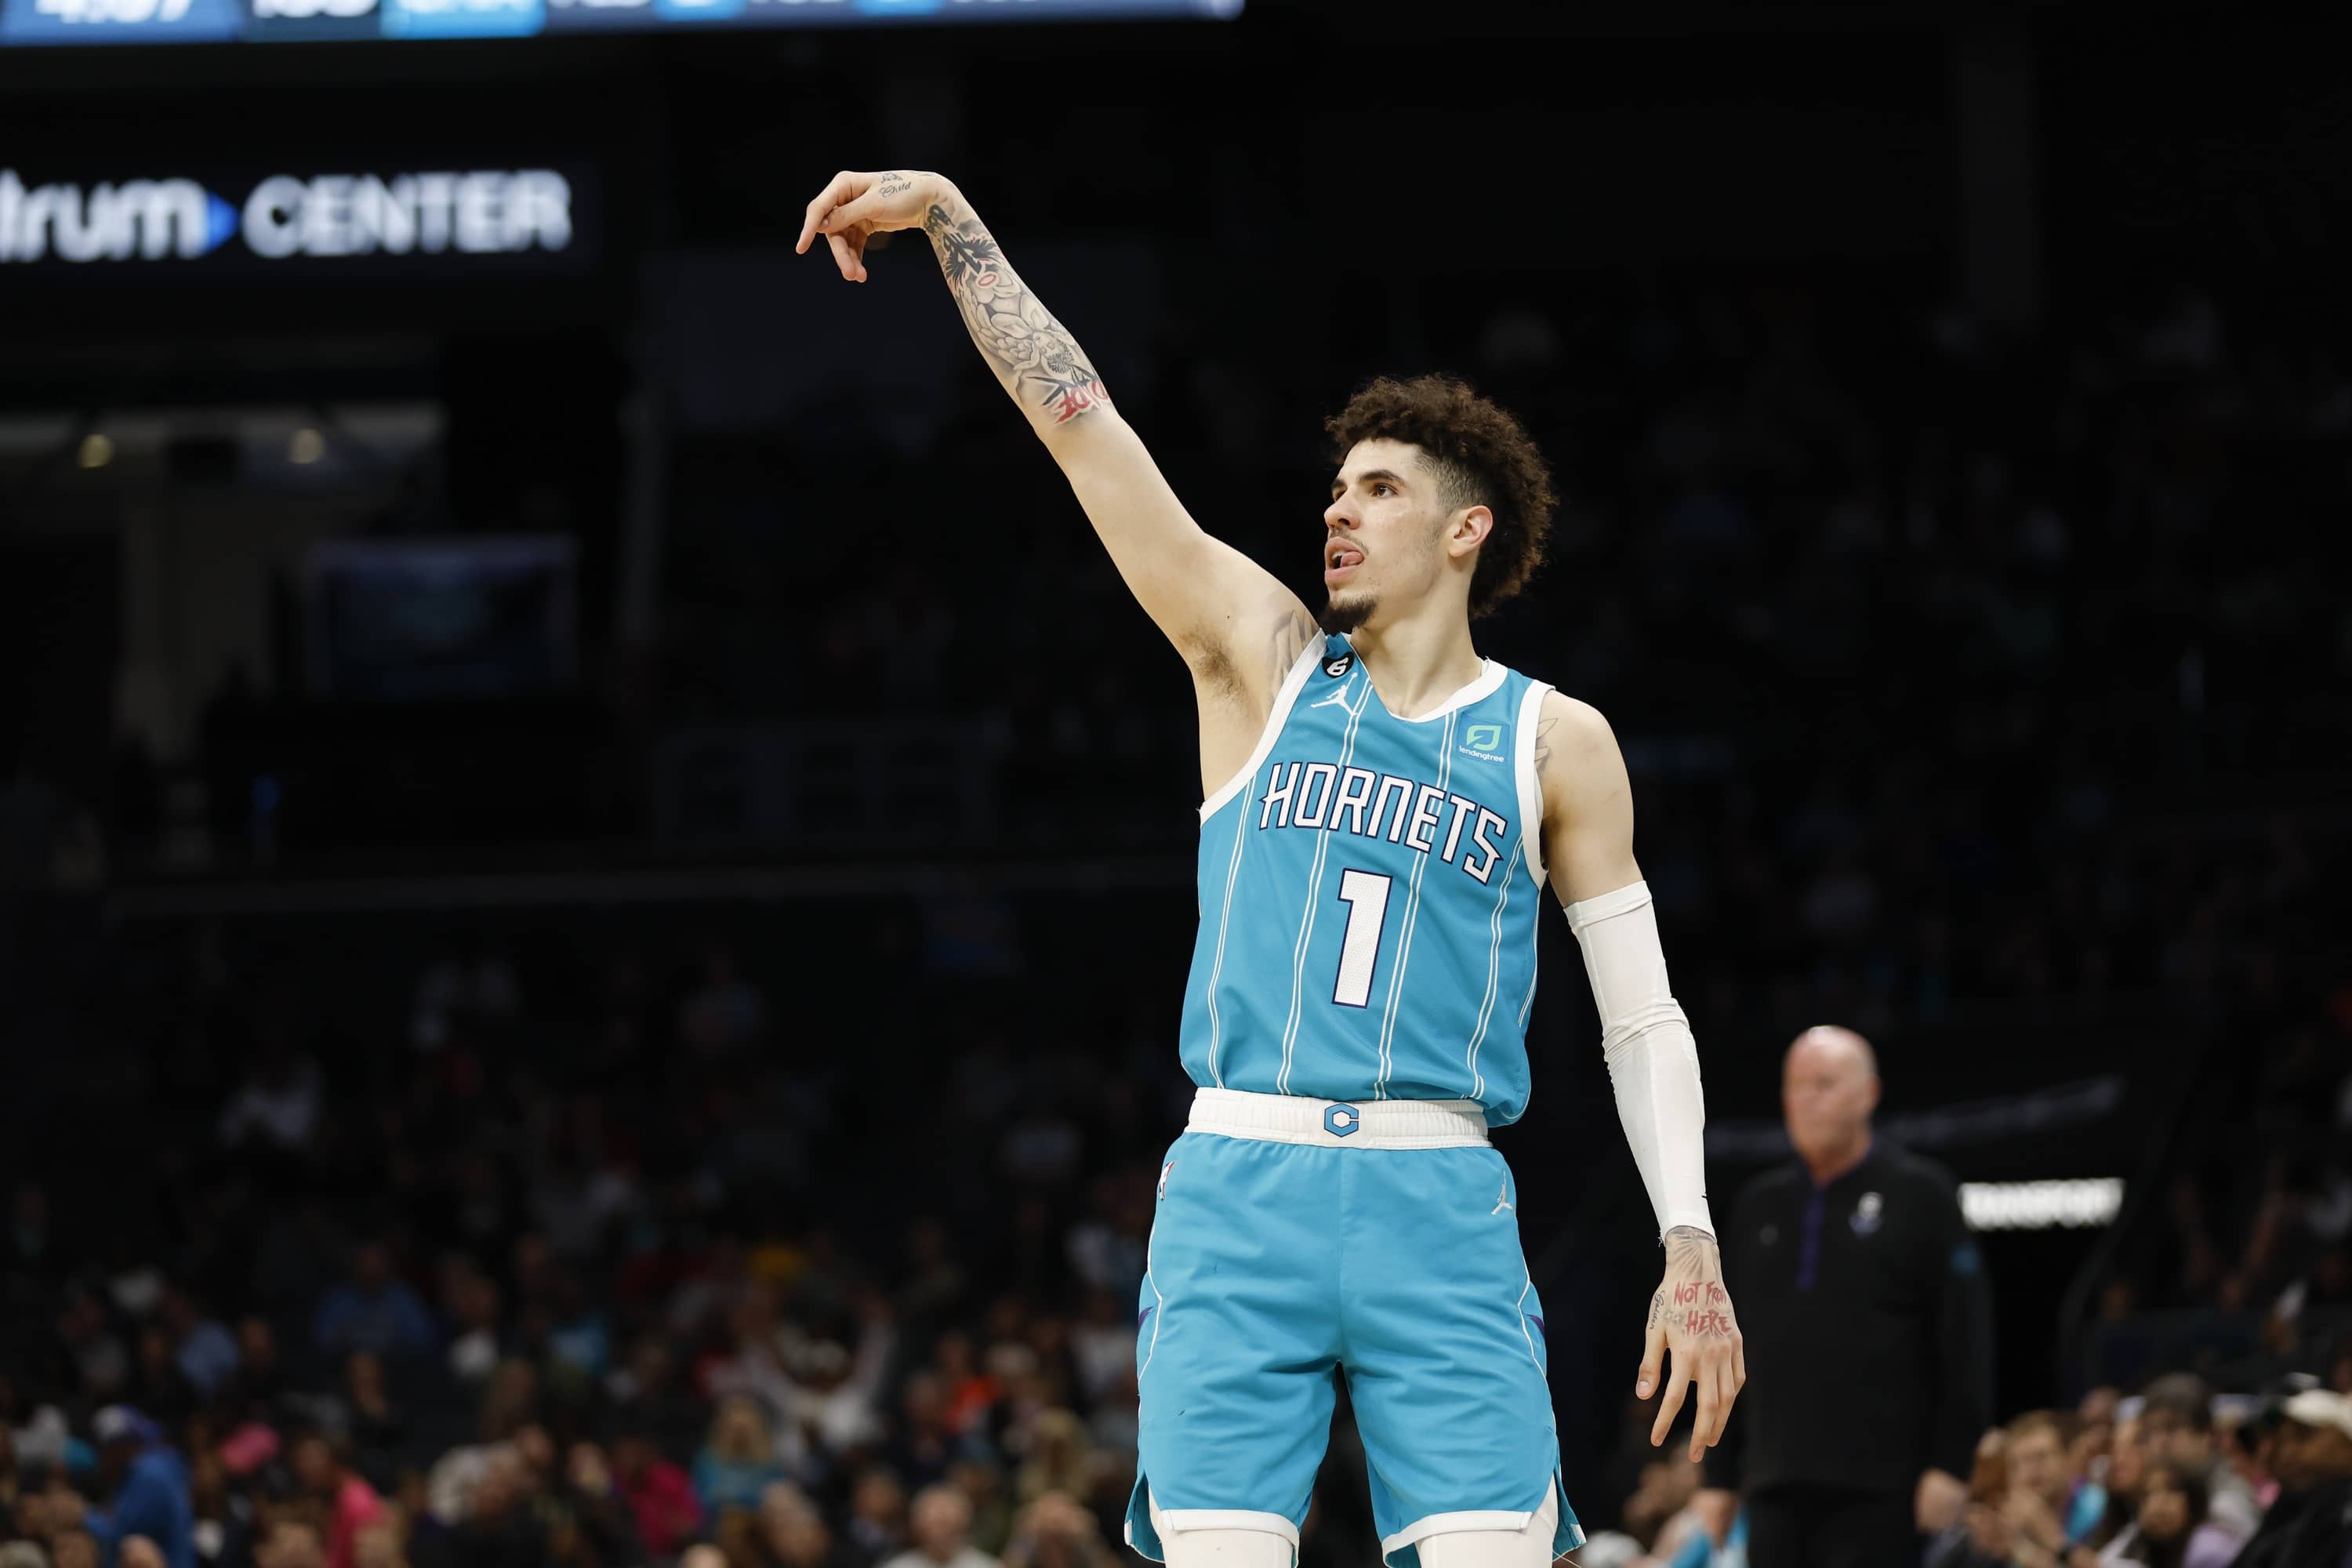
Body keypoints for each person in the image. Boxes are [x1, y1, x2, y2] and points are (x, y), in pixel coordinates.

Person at [795, 168, 1741, 1568]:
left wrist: (1694, 1241)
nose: (1336, 512)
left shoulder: (1556, 739)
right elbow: (1085, 430)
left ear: (1466, 529)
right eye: (1334, 487)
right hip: (1246, 1181)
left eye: (1377, 488)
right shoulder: (1264, 660)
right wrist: (952, 225)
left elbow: (1641, 1015)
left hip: (1444, 1203)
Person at [1696, 1026, 1992, 1568]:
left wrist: (1951, 1465)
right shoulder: (1757, 1206)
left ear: (1869, 1094)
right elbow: (1727, 1348)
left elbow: (1964, 1341)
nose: (1807, 1100)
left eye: (1825, 1084)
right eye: (1796, 1087)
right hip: (1774, 1478)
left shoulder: (1923, 1193)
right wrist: (1718, 1475)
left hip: (1884, 1484)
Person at [2226, 1388, 2352, 1568]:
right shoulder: (2287, 1510)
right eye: (2282, 1440)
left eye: (2303, 1436)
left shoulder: (2342, 1516)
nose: (2287, 1453)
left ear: (2346, 1445)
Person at [2094, 1462, 2235, 1568]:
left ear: (2193, 1500)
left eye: (2171, 1490)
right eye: (2148, 1495)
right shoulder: (2150, 1546)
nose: (2157, 1505)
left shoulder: (2208, 1549)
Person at [878, 1486, 999, 1568]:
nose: (941, 1534)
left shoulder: (986, 1565)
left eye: (948, 1524)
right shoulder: (898, 1566)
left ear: (964, 1525)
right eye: (934, 1524)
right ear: (917, 1527)